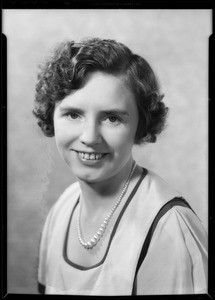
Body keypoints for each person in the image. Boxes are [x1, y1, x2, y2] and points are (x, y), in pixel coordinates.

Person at [33, 38, 208, 295]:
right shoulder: (62, 209)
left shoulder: (169, 229)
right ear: (51, 115)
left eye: (112, 118)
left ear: (140, 125)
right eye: (73, 114)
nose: (90, 137)